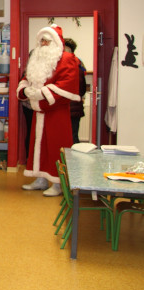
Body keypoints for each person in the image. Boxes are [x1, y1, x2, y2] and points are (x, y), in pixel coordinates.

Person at [18, 25, 80, 197]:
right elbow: (26, 79)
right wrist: (25, 90)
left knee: (56, 147)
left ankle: (58, 182)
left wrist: (42, 93)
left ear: (55, 42)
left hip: (56, 111)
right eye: (41, 40)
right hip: (39, 112)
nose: (43, 44)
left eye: (47, 40)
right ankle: (40, 179)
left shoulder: (67, 59)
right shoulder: (36, 59)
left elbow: (67, 84)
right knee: (38, 146)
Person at [64, 38, 88, 144]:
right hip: (75, 107)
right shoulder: (79, 64)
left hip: (65, 106)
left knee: (66, 137)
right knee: (73, 136)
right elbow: (82, 89)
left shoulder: (62, 65)